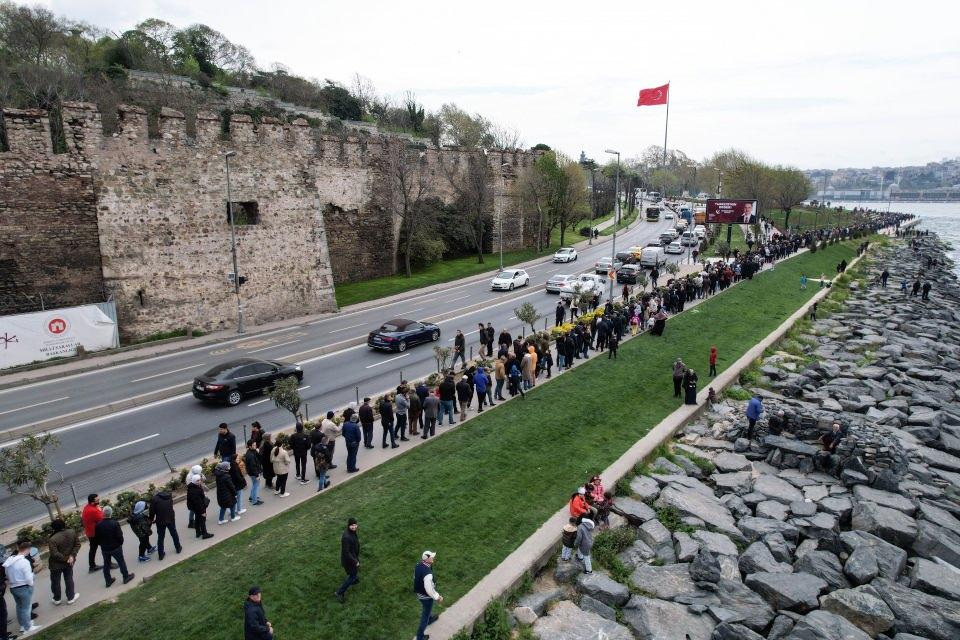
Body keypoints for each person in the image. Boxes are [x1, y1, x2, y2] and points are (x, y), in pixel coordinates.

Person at [4, 541, 41, 635]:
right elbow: (29, 578)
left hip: (13, 587)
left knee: (19, 606)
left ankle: (23, 625)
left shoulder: (10, 560)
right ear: (27, 549)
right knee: (26, 608)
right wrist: (31, 584)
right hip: (24, 587)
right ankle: (28, 627)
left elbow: (7, 575)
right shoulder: (24, 562)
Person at [95, 506, 134, 587]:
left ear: (103, 513)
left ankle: (108, 580)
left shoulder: (98, 525)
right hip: (115, 547)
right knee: (121, 561)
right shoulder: (114, 523)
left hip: (105, 548)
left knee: (106, 564)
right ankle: (126, 577)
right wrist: (120, 543)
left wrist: (102, 545)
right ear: (111, 513)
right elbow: (119, 536)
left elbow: (97, 538)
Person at [47, 518, 80, 606]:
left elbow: (55, 554)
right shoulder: (72, 532)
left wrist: (66, 558)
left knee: (55, 582)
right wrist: (71, 556)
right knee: (69, 579)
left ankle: (57, 598)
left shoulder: (52, 539)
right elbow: (77, 544)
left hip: (56, 565)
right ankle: (70, 597)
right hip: (69, 562)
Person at [414, 551, 443, 640]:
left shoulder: (418, 565)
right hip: (426, 597)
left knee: (427, 609)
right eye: (431, 557)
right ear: (427, 560)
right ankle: (420, 637)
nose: (433, 558)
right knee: (425, 616)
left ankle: (430, 619)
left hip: (419, 593)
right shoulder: (427, 574)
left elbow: (414, 576)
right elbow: (429, 589)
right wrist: (438, 597)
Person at [149, 488, 182, 561]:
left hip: (160, 520)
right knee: (174, 533)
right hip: (170, 518)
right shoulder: (168, 495)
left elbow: (152, 512)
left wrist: (151, 521)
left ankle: (161, 554)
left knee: (161, 537)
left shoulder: (154, 499)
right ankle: (178, 548)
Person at [335, 518, 360, 603]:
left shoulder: (352, 532)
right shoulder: (346, 537)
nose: (354, 527)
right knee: (352, 575)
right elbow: (346, 552)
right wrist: (355, 561)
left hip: (353, 557)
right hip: (349, 560)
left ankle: (354, 579)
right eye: (352, 525)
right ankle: (339, 592)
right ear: (348, 526)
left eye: (355, 525)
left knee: (354, 573)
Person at [81, 493, 105, 573]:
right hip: (96, 533)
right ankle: (108, 563)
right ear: (92, 502)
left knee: (93, 549)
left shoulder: (87, 507)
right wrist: (100, 510)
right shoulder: (93, 510)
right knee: (106, 547)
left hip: (90, 533)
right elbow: (102, 518)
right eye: (97, 500)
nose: (99, 501)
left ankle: (92, 566)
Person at [186, 472, 214, 540]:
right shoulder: (195, 490)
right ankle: (204, 534)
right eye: (197, 481)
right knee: (202, 520)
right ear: (194, 481)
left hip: (196, 507)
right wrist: (203, 512)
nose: (199, 482)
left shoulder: (193, 487)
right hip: (199, 507)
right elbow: (198, 503)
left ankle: (198, 533)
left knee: (198, 520)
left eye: (199, 480)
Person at [244, 439, 264, 506]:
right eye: (254, 445)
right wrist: (257, 475)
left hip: (252, 472)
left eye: (255, 445)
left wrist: (257, 452)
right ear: (250, 446)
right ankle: (254, 501)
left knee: (254, 484)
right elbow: (253, 466)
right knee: (256, 485)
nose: (255, 446)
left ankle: (251, 497)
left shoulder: (252, 451)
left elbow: (259, 458)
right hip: (254, 473)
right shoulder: (250, 455)